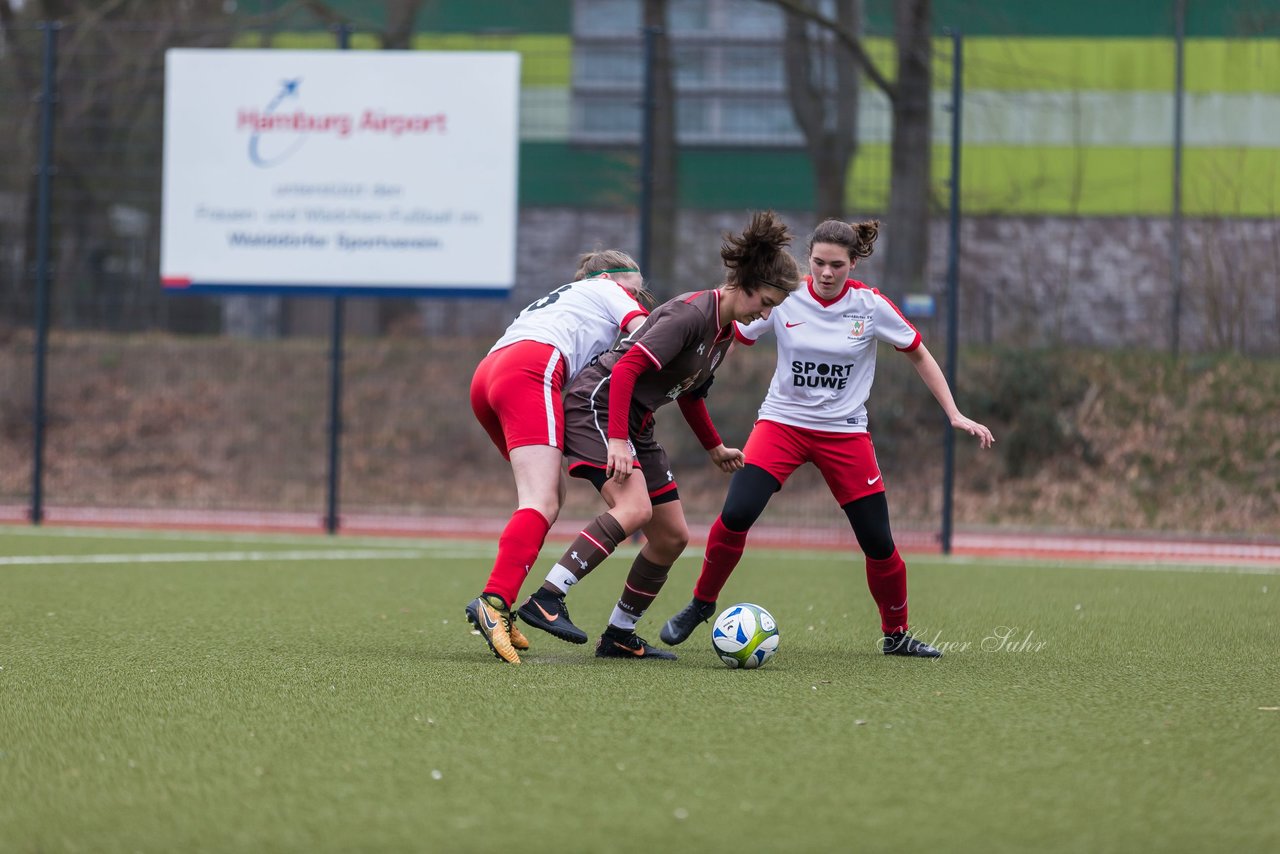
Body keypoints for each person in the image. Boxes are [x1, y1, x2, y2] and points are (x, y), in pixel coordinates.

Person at [657, 218, 995, 658]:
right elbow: (735, 333)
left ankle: (896, 635)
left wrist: (954, 413)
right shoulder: (785, 298)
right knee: (737, 512)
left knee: (878, 541)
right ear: (808, 261)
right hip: (781, 425)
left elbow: (919, 354)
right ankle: (702, 604)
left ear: (853, 263)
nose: (827, 273)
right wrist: (698, 375)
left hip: (845, 434)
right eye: (818, 263)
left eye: (837, 265)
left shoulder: (870, 306)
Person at [514, 211, 803, 660]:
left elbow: (690, 395)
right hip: (599, 406)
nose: (765, 313)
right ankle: (547, 598)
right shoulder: (691, 313)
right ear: (744, 284)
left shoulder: (724, 332)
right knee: (633, 508)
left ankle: (619, 635)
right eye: (765, 301)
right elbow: (628, 367)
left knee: (671, 536)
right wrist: (615, 441)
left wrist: (714, 447)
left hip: (636, 421)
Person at [465, 251, 652, 664]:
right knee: (541, 501)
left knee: (547, 498)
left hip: (488, 374)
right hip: (532, 368)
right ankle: (493, 601)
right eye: (632, 291)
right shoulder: (604, 287)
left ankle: (503, 597)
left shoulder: (564, 297)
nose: (636, 300)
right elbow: (647, 333)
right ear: (607, 277)